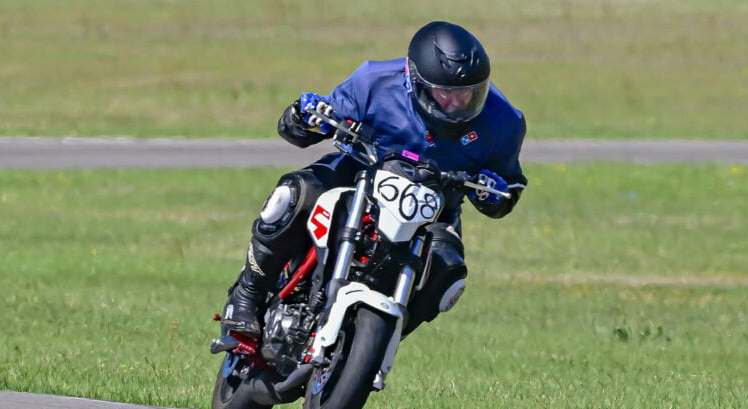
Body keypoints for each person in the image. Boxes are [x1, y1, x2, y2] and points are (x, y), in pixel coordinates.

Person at [221, 21, 527, 338]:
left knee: (449, 274)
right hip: (358, 175)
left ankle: (380, 338)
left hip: (436, 209)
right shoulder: (375, 81)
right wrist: (305, 116)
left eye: (468, 95)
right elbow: (302, 128)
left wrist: (494, 193)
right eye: (445, 93)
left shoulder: (505, 120)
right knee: (294, 195)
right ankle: (247, 295)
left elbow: (509, 188)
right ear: (416, 81)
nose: (457, 103)